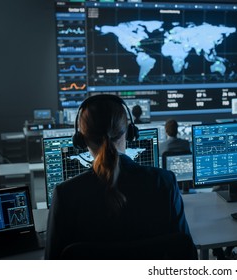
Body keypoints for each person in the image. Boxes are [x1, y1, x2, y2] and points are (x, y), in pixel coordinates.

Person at [45, 95, 192, 259]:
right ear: (129, 132)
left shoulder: (65, 195)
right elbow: (186, 254)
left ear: (80, 139)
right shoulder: (165, 182)